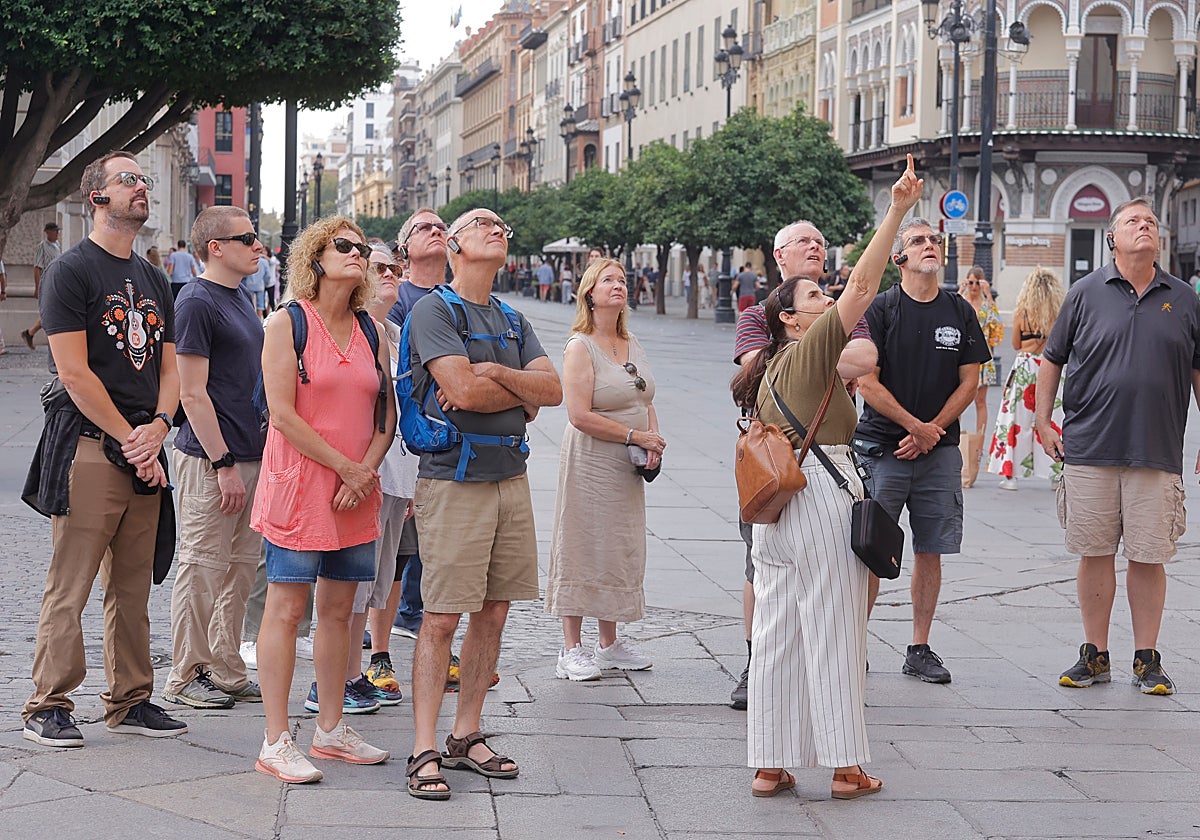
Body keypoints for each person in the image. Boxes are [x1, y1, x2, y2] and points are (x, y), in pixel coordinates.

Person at [734, 155, 922, 801]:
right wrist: (895, 209)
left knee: (778, 633)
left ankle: (770, 763)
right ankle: (845, 766)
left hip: (775, 512)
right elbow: (866, 288)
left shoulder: (770, 366)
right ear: (790, 316)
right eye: (817, 294)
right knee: (837, 629)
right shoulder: (810, 350)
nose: (830, 297)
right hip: (818, 498)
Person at [21, 151, 186, 747]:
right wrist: (130, 437)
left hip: (145, 445)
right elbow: (74, 372)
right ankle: (49, 703)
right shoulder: (72, 271)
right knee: (72, 581)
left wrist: (161, 427)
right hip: (92, 446)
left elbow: (170, 369)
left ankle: (131, 698)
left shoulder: (154, 278)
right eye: (129, 180)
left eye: (145, 179)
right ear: (97, 196)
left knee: (133, 585)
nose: (142, 188)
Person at [404, 208, 562, 800]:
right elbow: (462, 391)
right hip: (454, 479)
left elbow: (554, 391)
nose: (498, 229)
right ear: (454, 244)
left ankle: (465, 734)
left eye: (503, 226)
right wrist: (514, 386)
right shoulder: (433, 310)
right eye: (483, 224)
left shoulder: (513, 317)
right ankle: (423, 746)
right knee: (442, 616)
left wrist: (495, 371)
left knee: (494, 612)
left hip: (509, 476)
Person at [251, 216, 395, 783]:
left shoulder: (371, 330)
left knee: (340, 610)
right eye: (345, 246)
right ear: (315, 257)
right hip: (302, 487)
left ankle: (331, 729)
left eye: (363, 248)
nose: (358, 254)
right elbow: (282, 414)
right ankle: (276, 739)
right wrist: (344, 468)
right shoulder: (286, 324)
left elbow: (386, 414)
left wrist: (365, 471)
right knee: (287, 609)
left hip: (356, 489)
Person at [1036, 197, 1200, 697]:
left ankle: (1147, 658)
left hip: (1157, 448)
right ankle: (1095, 654)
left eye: (1150, 221)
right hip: (1089, 447)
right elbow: (1052, 359)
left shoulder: (1185, 297)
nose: (1144, 226)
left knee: (1150, 556)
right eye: (1133, 221)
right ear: (1112, 237)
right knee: (1094, 551)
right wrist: (1043, 421)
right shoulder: (1085, 293)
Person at [727, 220, 877, 710]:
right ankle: (761, 661)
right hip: (776, 462)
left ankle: (829, 657)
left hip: (832, 459)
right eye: (804, 243)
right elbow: (758, 367)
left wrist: (823, 352)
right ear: (779, 256)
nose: (816, 248)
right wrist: (822, 353)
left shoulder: (832, 312)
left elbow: (866, 356)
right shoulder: (759, 314)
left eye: (820, 243)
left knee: (852, 564)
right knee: (766, 572)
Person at [856, 217, 991, 685]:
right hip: (884, 450)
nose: (930, 246)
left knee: (930, 548)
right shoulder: (880, 309)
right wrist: (912, 425)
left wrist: (931, 430)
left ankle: (919, 646)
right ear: (900, 258)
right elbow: (864, 382)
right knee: (871, 549)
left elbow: (970, 379)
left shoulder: (959, 310)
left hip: (938, 452)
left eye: (935, 240)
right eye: (918, 241)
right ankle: (855, 642)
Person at [160, 207, 268, 710]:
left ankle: (224, 667)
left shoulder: (241, 296)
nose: (258, 245)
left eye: (256, 236)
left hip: (250, 451)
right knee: (202, 565)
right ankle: (185, 674)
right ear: (215, 247)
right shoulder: (197, 300)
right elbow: (192, 394)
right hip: (211, 458)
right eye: (246, 238)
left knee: (242, 566)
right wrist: (222, 462)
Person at [546, 258, 664, 681]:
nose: (618, 286)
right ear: (589, 293)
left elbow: (645, 397)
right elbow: (577, 414)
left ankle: (610, 643)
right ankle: (571, 648)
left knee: (618, 545)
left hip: (627, 463)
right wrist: (635, 438)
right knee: (582, 542)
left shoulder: (631, 341)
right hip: (592, 459)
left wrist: (654, 438)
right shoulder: (580, 345)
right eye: (607, 280)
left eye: (622, 280)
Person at [344, 245, 417, 707]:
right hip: (367, 475)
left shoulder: (394, 331)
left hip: (398, 476)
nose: (391, 274)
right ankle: (342, 678)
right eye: (380, 268)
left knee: (377, 579)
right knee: (352, 583)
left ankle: (358, 673)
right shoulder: (355, 333)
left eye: (396, 268)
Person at [387, 208, 451, 642]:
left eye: (442, 227)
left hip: (455, 434)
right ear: (405, 248)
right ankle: (404, 615)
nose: (436, 231)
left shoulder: (455, 295)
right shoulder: (399, 298)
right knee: (406, 541)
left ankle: (424, 613)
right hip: (414, 436)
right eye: (424, 228)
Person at [986, 267, 1066, 490]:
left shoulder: (1023, 313)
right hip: (1051, 368)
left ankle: (1011, 476)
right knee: (1054, 419)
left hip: (1026, 366)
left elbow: (1015, 344)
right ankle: (1054, 473)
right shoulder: (1058, 315)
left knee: (1016, 420)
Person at [957, 266, 1003, 488]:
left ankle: (978, 447)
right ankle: (956, 443)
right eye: (970, 282)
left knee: (980, 401)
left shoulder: (986, 305)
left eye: (977, 283)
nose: (973, 287)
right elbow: (947, 314)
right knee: (958, 400)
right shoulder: (961, 301)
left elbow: (997, 329)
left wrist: (988, 295)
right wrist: (960, 290)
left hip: (983, 359)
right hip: (961, 359)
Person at [21, 221, 62, 349]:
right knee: (50, 311)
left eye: (57, 231)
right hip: (46, 282)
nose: (57, 234)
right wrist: (37, 287)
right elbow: (37, 267)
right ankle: (32, 333)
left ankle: (30, 333)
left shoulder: (57, 245)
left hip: (56, 282)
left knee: (54, 311)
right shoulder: (42, 247)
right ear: (48, 232)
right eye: (55, 231)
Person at [242, 252, 272, 319]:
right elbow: (268, 275)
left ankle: (250, 319)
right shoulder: (264, 262)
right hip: (260, 285)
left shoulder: (249, 260)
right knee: (260, 305)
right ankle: (258, 320)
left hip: (250, 284)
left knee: (249, 303)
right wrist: (266, 283)